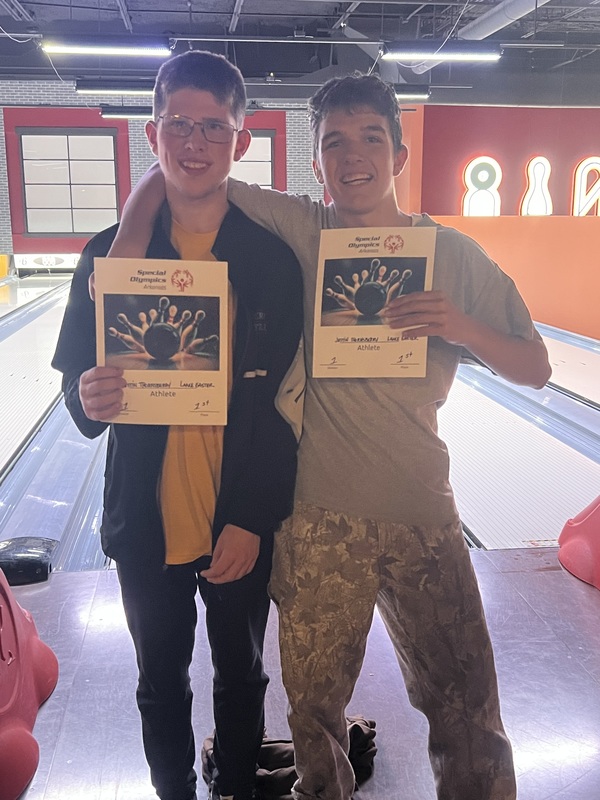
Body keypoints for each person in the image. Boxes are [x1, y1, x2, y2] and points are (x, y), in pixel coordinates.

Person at [109, 73, 552, 800]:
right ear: (315, 162)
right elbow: (181, 175)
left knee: (467, 708)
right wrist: (129, 239)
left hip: (424, 513)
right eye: (334, 143)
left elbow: (535, 365)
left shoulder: (452, 254)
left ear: (399, 153)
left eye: (370, 138)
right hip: (316, 521)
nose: (353, 157)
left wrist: (459, 325)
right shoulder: (303, 230)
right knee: (313, 717)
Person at [52, 50, 304, 800]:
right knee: (159, 683)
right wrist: (87, 400)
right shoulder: (106, 253)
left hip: (235, 522)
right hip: (145, 526)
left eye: (212, 127)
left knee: (243, 678)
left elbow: (279, 407)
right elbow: (76, 389)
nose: (194, 143)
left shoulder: (268, 262)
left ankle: (233, 787)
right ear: (153, 135)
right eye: (177, 125)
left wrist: (253, 520)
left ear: (241, 140)